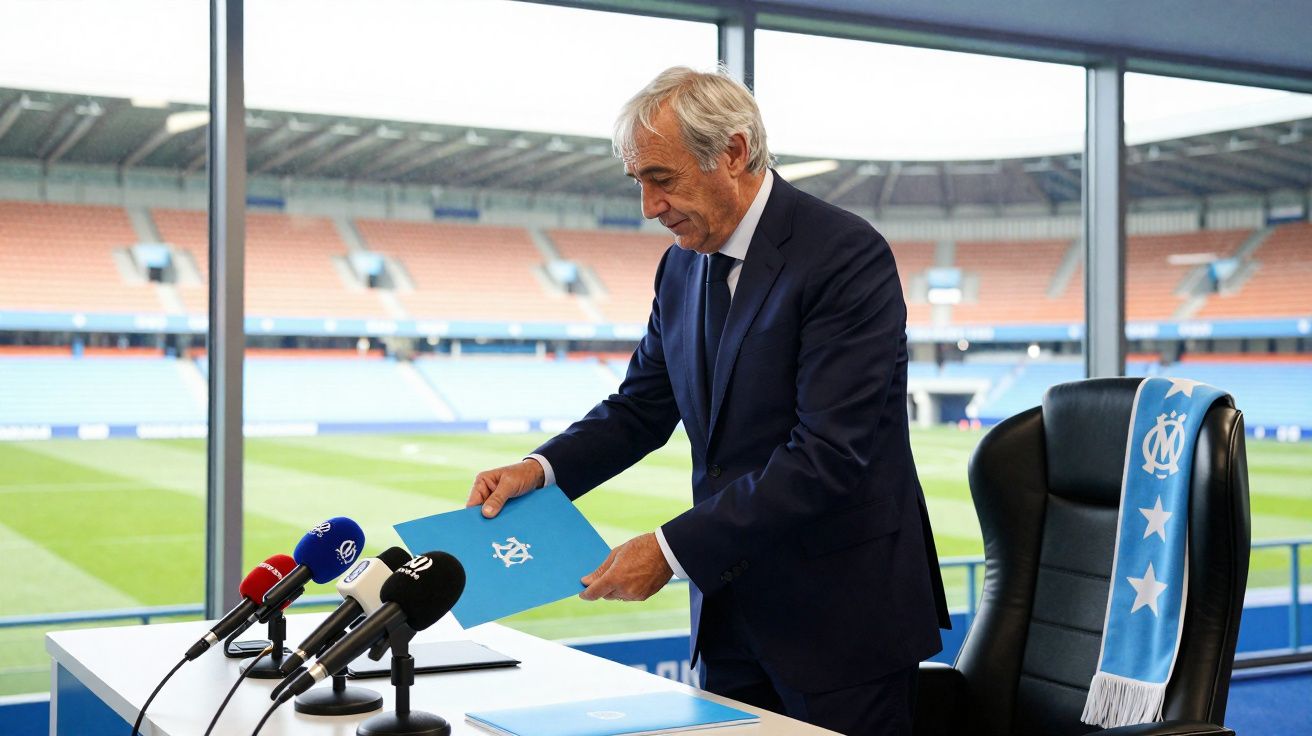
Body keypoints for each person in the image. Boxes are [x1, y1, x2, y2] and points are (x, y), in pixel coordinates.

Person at [467, 66, 949, 735]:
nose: (648, 206)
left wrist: (670, 551)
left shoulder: (844, 254)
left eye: (660, 178)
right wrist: (540, 472)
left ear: (733, 152)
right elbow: (640, 407)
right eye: (638, 181)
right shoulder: (680, 264)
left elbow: (828, 455)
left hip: (842, 623)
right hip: (730, 614)